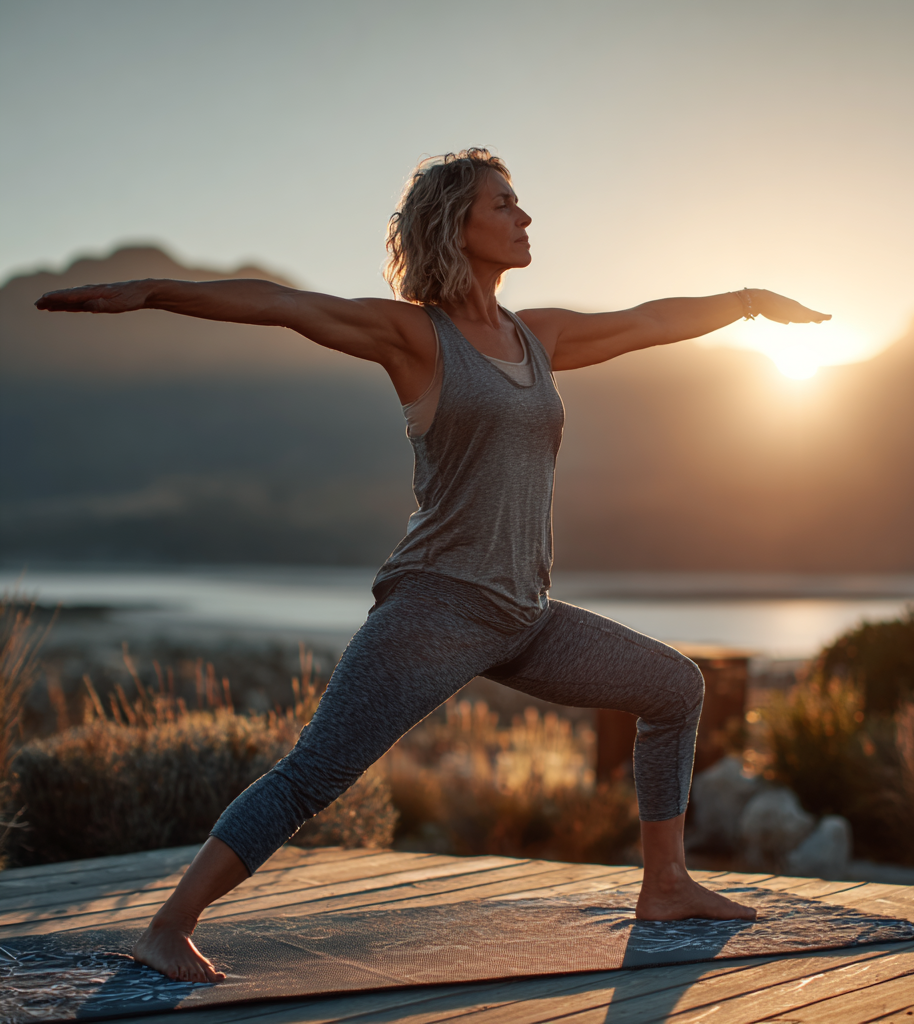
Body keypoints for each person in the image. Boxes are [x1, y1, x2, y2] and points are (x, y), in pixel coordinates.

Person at [36, 148, 830, 983]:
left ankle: (665, 885)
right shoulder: (415, 336)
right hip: (437, 607)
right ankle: (168, 927)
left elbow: (647, 320)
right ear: (457, 223)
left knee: (675, 687)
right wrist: (153, 293)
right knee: (314, 775)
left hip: (526, 615)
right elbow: (284, 306)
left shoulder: (540, 336)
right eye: (505, 204)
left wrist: (747, 304)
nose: (525, 218)